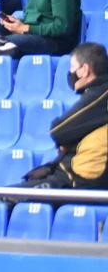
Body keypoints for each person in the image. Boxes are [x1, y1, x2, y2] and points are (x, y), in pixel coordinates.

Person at [24, 43, 108, 189]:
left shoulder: (101, 93)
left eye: (72, 67)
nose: (70, 73)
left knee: (4, 198)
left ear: (84, 70)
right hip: (71, 174)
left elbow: (59, 131)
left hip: (78, 180)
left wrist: (67, 138)